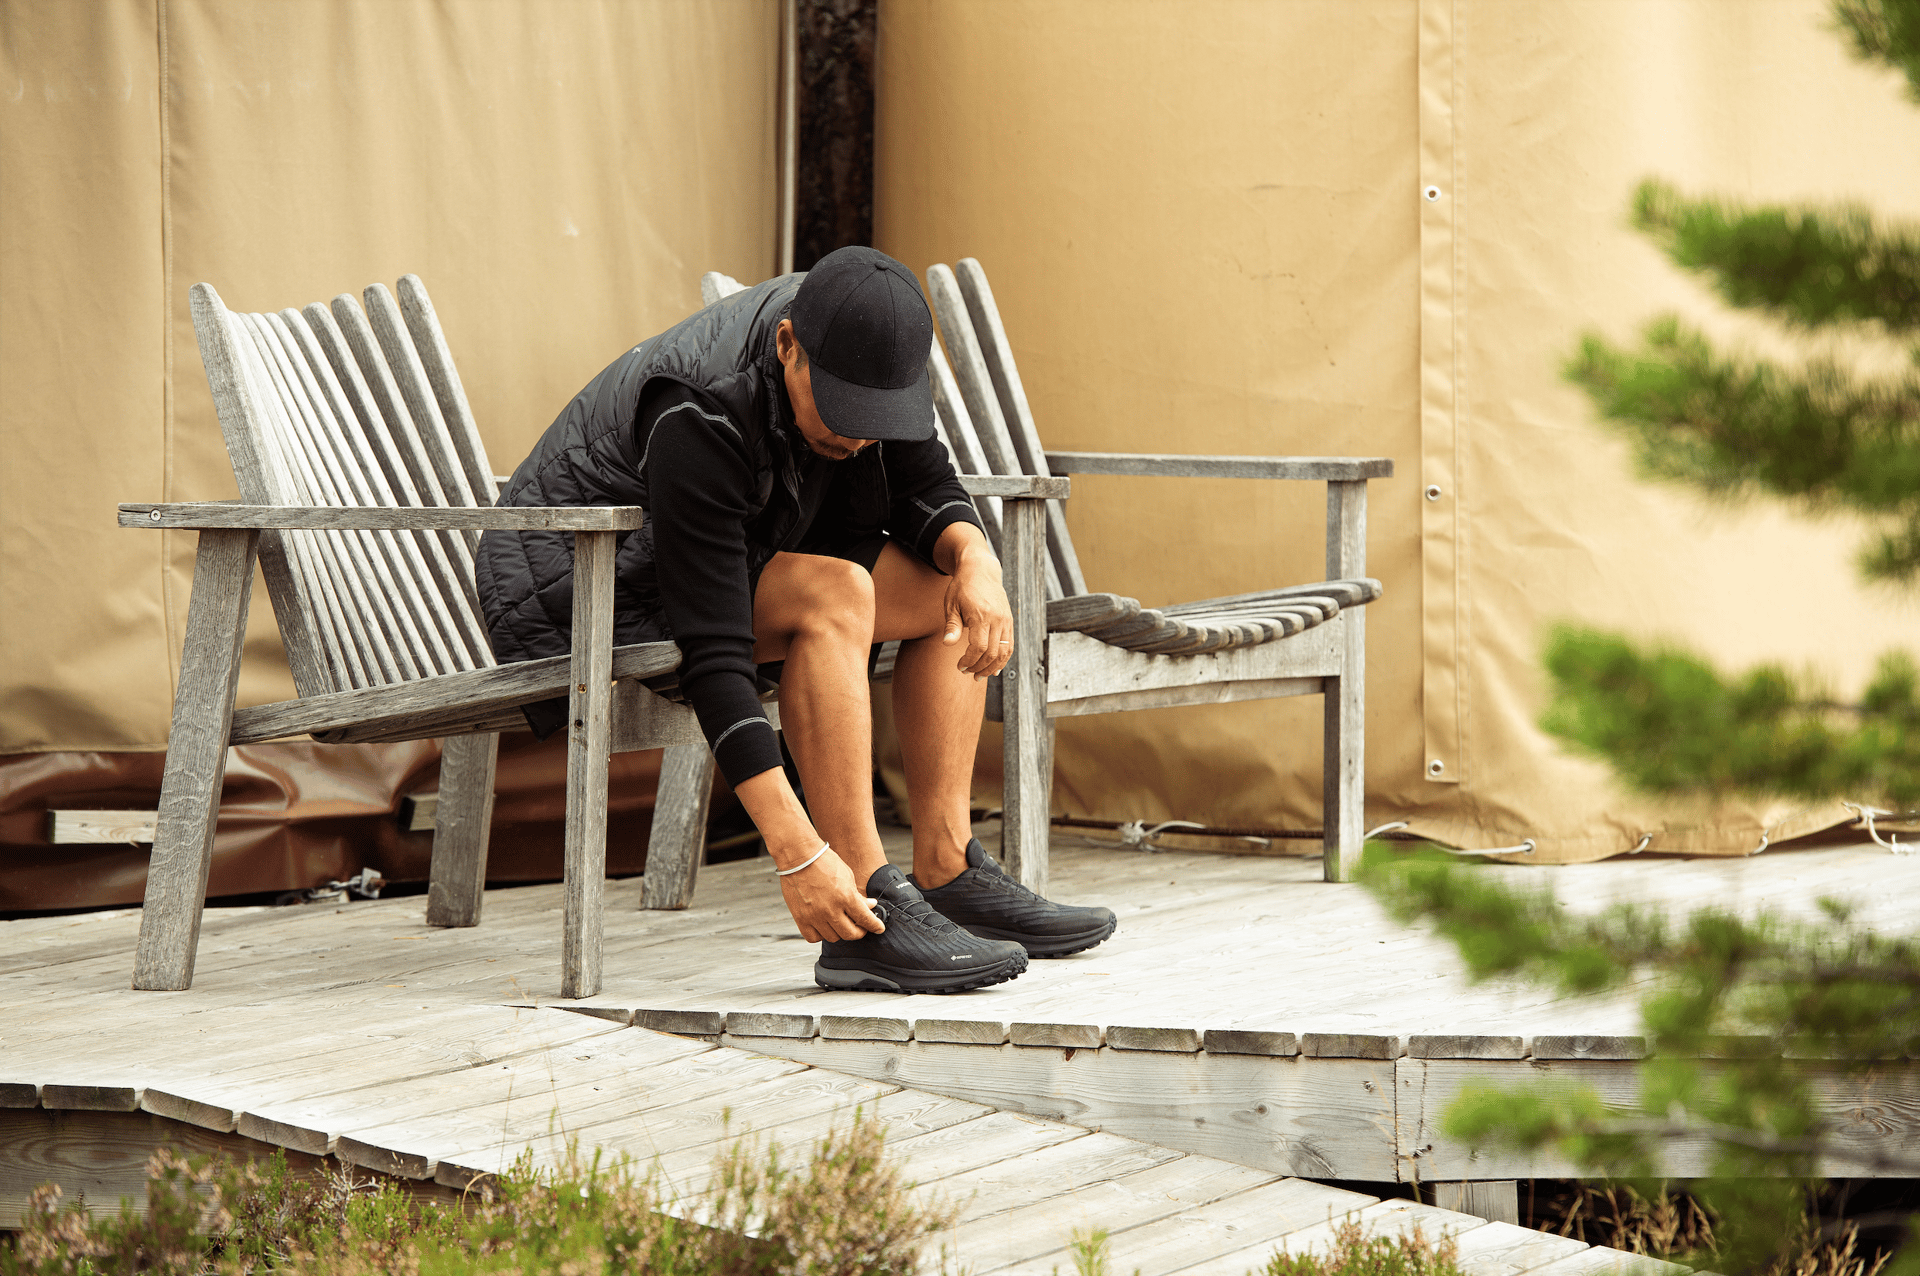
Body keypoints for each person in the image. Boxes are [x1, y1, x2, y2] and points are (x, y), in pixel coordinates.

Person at [475, 246, 1115, 993]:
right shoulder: (700, 407)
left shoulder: (871, 342)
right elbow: (714, 655)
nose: (857, 439)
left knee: (947, 591)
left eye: (876, 420)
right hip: (588, 583)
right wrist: (798, 854)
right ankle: (865, 907)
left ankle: (944, 866)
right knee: (833, 593)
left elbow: (923, 478)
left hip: (727, 545)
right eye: (843, 416)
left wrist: (978, 558)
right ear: (788, 348)